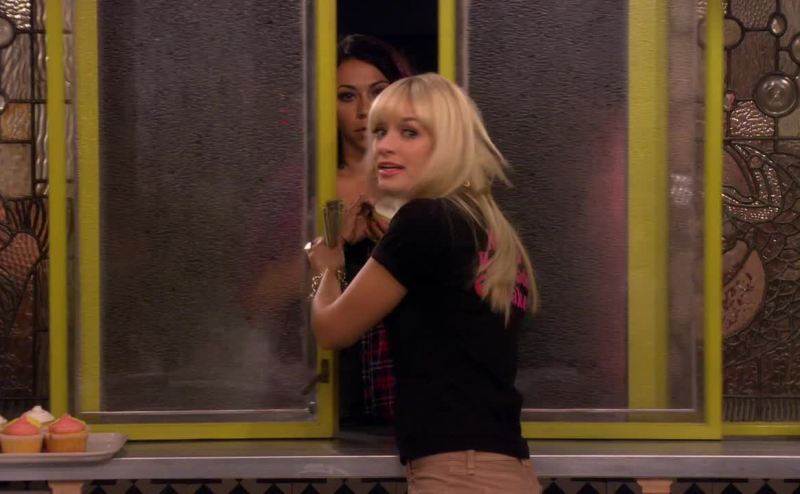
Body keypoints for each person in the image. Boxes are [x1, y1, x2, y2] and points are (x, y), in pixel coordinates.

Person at [306, 73, 541, 493]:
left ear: (448, 142)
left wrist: (329, 266)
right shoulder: (483, 224)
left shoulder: (424, 220)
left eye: (409, 132)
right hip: (504, 468)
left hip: (459, 474)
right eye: (380, 131)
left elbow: (331, 330)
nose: (384, 145)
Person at [335, 34, 412, 425]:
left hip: (418, 390)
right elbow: (259, 301)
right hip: (332, 391)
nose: (366, 110)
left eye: (379, 92)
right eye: (347, 96)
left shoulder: (431, 187)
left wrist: (406, 242)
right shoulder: (306, 186)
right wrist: (335, 248)